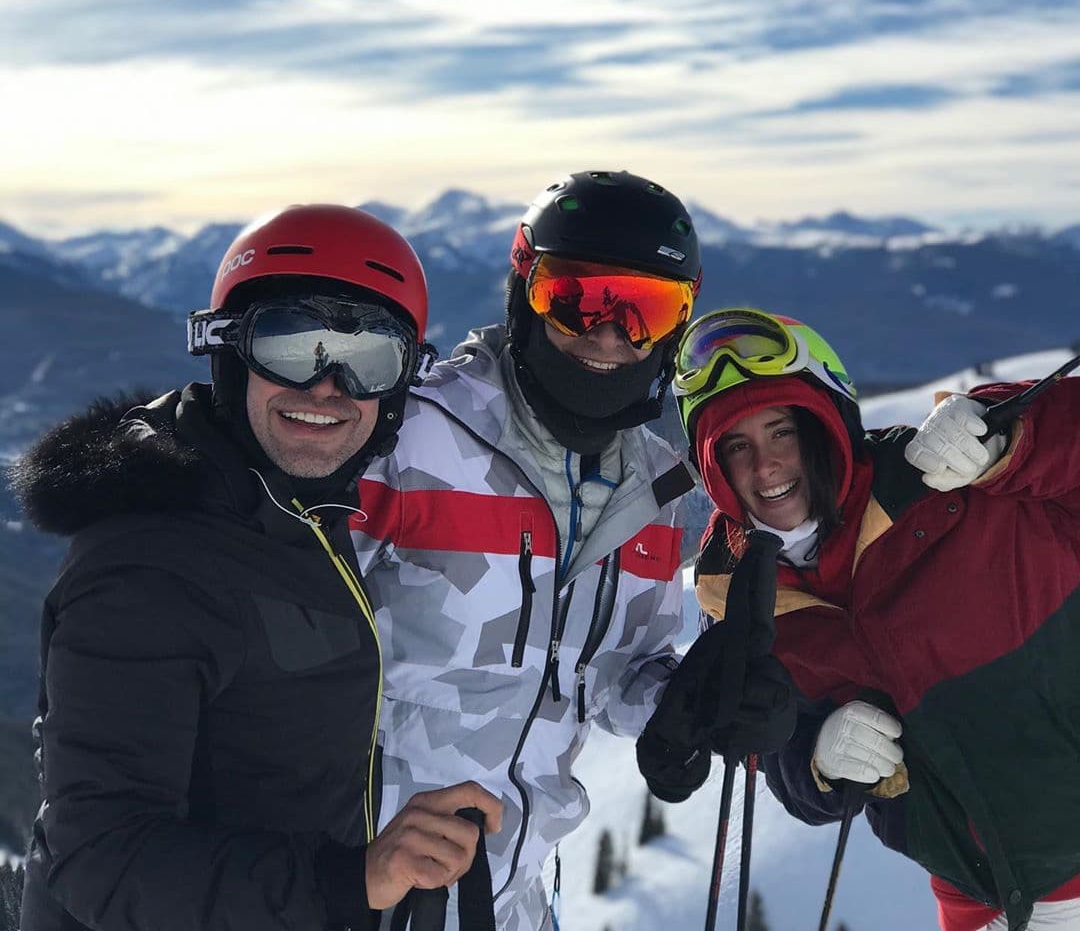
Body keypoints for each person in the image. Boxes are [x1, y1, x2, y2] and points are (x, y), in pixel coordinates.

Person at [12, 204, 501, 931]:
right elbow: (99, 860)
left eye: (368, 359)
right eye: (292, 344)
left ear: (398, 391)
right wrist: (350, 880)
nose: (328, 385)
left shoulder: (296, 515)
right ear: (229, 355)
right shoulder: (151, 565)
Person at [351, 170, 712, 930]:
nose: (609, 335)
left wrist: (690, 704)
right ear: (525, 294)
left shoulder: (654, 487)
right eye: (576, 299)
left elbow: (615, 681)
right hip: (356, 885)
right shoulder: (411, 436)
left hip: (509, 899)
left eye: (646, 309)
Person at [671, 306, 1080, 931]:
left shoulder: (953, 483)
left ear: (826, 427)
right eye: (736, 446)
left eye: (781, 431)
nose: (765, 466)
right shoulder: (739, 600)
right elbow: (765, 748)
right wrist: (819, 763)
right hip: (976, 900)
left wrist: (1016, 432)